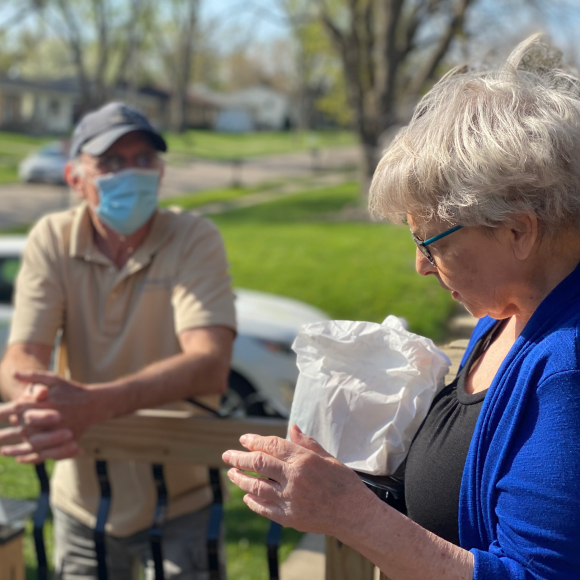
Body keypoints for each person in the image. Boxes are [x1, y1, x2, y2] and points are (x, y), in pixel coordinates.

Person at [222, 35, 580, 580]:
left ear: (516, 230)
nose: (421, 266)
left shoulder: (567, 369)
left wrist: (350, 513)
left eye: (431, 242)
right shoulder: (507, 316)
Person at [0, 102, 236, 579]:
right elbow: (23, 353)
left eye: (143, 159)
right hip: (82, 498)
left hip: (181, 499)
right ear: (75, 177)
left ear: (161, 170)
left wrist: (95, 404)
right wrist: (36, 402)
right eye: (110, 162)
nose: (131, 173)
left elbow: (210, 361)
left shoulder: (193, 236)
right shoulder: (52, 237)